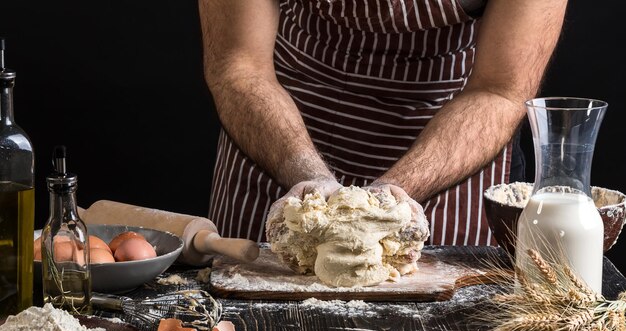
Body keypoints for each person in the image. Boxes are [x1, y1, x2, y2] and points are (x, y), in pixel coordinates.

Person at [199, 0, 568, 245]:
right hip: (282, 122)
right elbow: (240, 68)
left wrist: (387, 198)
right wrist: (303, 172)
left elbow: (499, 91)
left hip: (452, 135)